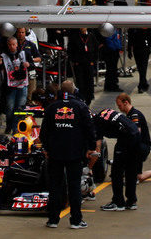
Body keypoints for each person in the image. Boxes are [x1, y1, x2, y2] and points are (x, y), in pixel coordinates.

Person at [39, 79, 97, 229]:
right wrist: (91, 147)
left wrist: (46, 148)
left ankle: (53, 219)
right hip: (75, 153)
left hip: (55, 153)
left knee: (55, 186)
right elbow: (89, 129)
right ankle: (76, 220)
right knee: (74, 187)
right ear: (73, 91)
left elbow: (43, 131)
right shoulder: (81, 106)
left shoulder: (52, 108)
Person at [116, 94, 151, 184]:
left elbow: (136, 134)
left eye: (120, 106)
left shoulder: (134, 115)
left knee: (138, 177)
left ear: (126, 103)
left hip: (140, 148)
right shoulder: (129, 115)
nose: (119, 108)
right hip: (138, 146)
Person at [94, 106, 141, 211]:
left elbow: (98, 147)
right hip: (136, 134)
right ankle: (132, 201)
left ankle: (118, 202)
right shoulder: (105, 111)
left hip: (126, 138)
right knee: (131, 171)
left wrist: (90, 165)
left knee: (116, 172)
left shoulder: (97, 123)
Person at [0, 36, 30, 133]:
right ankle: (9, 125)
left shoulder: (24, 53)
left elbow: (33, 64)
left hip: (22, 85)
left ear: (17, 45)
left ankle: (16, 127)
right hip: (10, 86)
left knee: (20, 107)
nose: (12, 46)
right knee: (10, 108)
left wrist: (29, 64)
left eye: (14, 44)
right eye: (10, 45)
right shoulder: (3, 55)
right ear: (7, 45)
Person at [126, 26, 151, 93]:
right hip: (137, 49)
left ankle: (141, 85)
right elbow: (130, 39)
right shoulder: (133, 29)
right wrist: (129, 50)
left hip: (145, 49)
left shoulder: (148, 28)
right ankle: (144, 83)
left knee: (143, 67)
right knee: (140, 67)